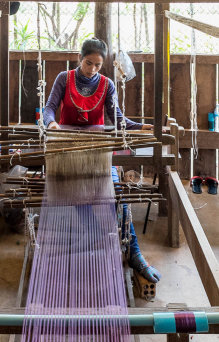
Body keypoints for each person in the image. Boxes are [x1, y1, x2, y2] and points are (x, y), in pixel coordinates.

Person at [43, 37, 161, 284]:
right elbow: (49, 109)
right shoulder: (64, 79)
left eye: (98, 65)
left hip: (96, 149)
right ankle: (98, 237)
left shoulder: (107, 85)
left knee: (116, 195)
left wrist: (141, 127)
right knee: (79, 193)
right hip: (67, 147)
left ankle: (135, 253)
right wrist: (52, 124)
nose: (93, 69)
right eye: (89, 63)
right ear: (80, 58)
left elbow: (118, 120)